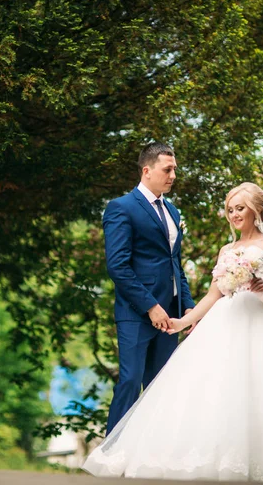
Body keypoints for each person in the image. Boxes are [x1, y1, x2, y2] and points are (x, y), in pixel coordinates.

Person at [83, 182, 263, 482]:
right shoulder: (227, 250)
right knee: (215, 388)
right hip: (225, 322)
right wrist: (181, 322)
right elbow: (213, 296)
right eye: (230, 210)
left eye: (240, 208)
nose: (234, 215)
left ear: (257, 210)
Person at [102, 142, 195, 435]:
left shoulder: (172, 210)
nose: (173, 176)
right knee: (130, 381)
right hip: (137, 313)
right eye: (167, 170)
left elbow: (174, 264)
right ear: (147, 170)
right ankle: (110, 454)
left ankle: (150, 458)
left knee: (161, 386)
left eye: (175, 170)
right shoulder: (121, 208)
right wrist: (150, 306)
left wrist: (189, 306)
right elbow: (118, 266)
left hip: (171, 316)